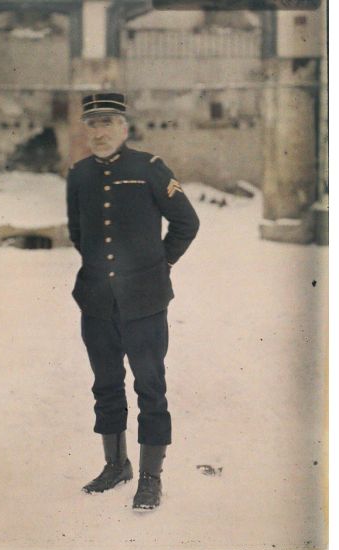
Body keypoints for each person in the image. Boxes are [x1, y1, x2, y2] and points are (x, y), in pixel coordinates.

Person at [66, 93, 199, 510]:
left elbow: (186, 222)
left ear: (124, 127)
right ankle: (115, 465)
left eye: (108, 123)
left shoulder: (149, 169)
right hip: (96, 301)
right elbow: (78, 232)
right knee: (105, 385)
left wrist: (160, 265)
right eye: (92, 124)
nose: (100, 132)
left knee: (150, 387)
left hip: (144, 300)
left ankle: (150, 477)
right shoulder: (79, 174)